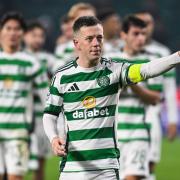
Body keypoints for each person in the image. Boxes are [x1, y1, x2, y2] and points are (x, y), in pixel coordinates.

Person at [43, 16, 180, 180]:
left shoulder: (114, 71)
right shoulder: (62, 77)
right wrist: (53, 138)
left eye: (99, 38)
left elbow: (146, 69)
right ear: (76, 43)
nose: (96, 43)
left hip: (106, 167)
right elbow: (50, 114)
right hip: (73, 167)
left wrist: (176, 57)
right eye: (89, 38)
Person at [105, 15, 162, 180]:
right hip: (112, 135)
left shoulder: (150, 62)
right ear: (123, 35)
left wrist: (132, 83)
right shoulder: (110, 60)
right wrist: (122, 83)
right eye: (136, 34)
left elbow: (155, 98)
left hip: (138, 133)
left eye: (143, 34)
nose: (141, 38)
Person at [0, 12, 48, 180]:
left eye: (17, 29)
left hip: (18, 132)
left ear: (22, 33)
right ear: (1, 32)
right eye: (8, 28)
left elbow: (46, 97)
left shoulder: (31, 63)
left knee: (15, 177)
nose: (13, 33)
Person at [135, 11, 178, 180]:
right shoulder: (120, 50)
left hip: (152, 113)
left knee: (149, 163)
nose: (144, 27)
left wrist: (172, 120)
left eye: (148, 23)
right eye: (140, 22)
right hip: (124, 115)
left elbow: (169, 88)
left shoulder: (161, 51)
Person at [23, 21, 56, 180]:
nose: (38, 39)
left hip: (41, 117)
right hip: (22, 117)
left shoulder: (49, 59)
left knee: (41, 162)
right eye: (33, 35)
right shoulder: (19, 57)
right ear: (25, 36)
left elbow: (55, 84)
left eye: (41, 36)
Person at [54, 2, 96, 70]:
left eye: (92, 18)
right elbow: (56, 71)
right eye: (83, 18)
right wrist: (74, 58)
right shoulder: (64, 48)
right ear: (73, 22)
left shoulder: (108, 45)